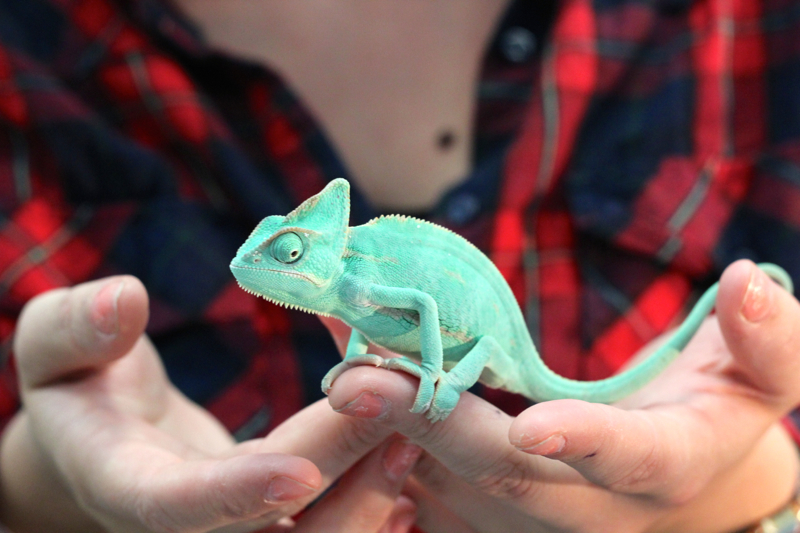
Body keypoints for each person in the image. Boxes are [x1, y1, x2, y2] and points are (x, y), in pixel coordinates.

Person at [0, 0, 799, 531]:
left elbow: (418, 312)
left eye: (288, 255)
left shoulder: (742, 25)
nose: (274, 267)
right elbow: (377, 325)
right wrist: (39, 490)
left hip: (488, 347)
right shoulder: (31, 43)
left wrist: (751, 484)